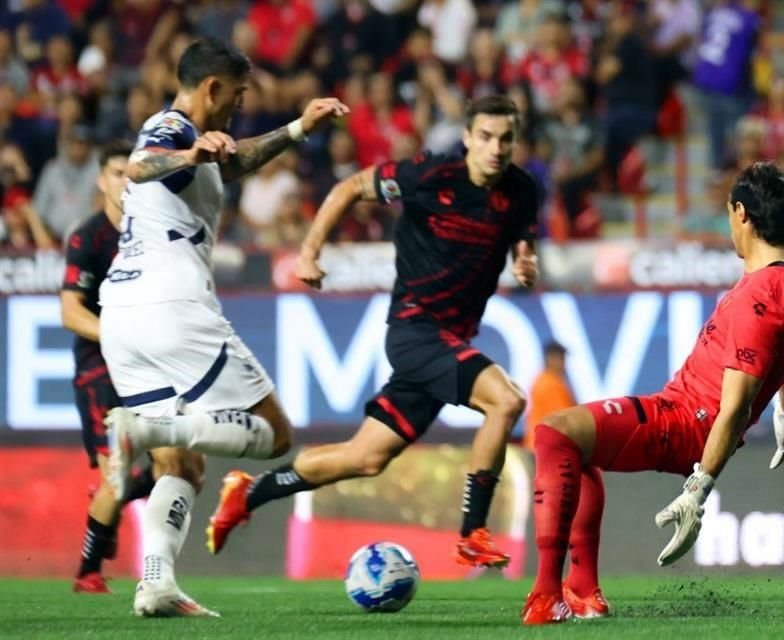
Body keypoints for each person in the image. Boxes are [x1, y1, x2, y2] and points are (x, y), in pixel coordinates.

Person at [207, 95, 542, 571]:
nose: (496, 147)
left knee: (364, 458)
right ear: (467, 137)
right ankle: (472, 533)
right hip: (415, 332)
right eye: (486, 136)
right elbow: (348, 189)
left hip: (450, 341)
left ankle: (250, 492)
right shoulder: (429, 174)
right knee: (505, 400)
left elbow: (520, 234)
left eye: (506, 138)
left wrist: (525, 258)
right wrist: (309, 252)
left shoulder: (523, 189)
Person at [98, 37, 348, 617]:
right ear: (211, 87)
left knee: (182, 465)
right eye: (235, 97)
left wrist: (296, 129)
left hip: (125, 314)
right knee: (275, 434)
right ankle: (143, 432)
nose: (237, 108)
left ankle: (156, 583)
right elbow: (140, 165)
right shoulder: (171, 127)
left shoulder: (201, 143)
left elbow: (230, 164)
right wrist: (188, 155)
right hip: (173, 307)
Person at [521, 162, 784, 625]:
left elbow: (735, 407)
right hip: (687, 414)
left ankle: (545, 598)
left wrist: (698, 489)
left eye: (729, 214)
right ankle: (582, 593)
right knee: (576, 450)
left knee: (553, 434)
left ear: (741, 213)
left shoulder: (758, 299)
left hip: (685, 421)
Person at [61, 141, 156, 594]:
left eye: (132, 172)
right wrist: (118, 334)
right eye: (117, 173)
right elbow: (71, 313)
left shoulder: (153, 234)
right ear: (102, 180)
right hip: (100, 369)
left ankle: (108, 500)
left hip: (150, 364)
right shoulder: (87, 237)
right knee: (116, 475)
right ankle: (89, 573)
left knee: (178, 470)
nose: (126, 181)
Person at [523, 341, 575, 450]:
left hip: (538, 446)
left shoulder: (543, 379)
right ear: (550, 359)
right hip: (546, 449)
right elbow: (564, 419)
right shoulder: (550, 384)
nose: (564, 364)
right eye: (561, 359)